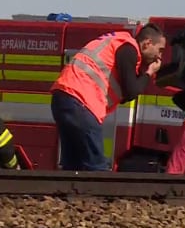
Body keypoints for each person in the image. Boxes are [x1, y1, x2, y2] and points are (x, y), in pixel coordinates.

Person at [50, 24, 166, 171]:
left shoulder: (118, 43)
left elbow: (124, 93)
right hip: (81, 102)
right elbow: (132, 91)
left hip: (64, 97)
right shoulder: (129, 49)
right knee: (96, 166)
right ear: (148, 43)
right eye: (160, 50)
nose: (159, 56)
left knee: (73, 166)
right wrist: (149, 73)